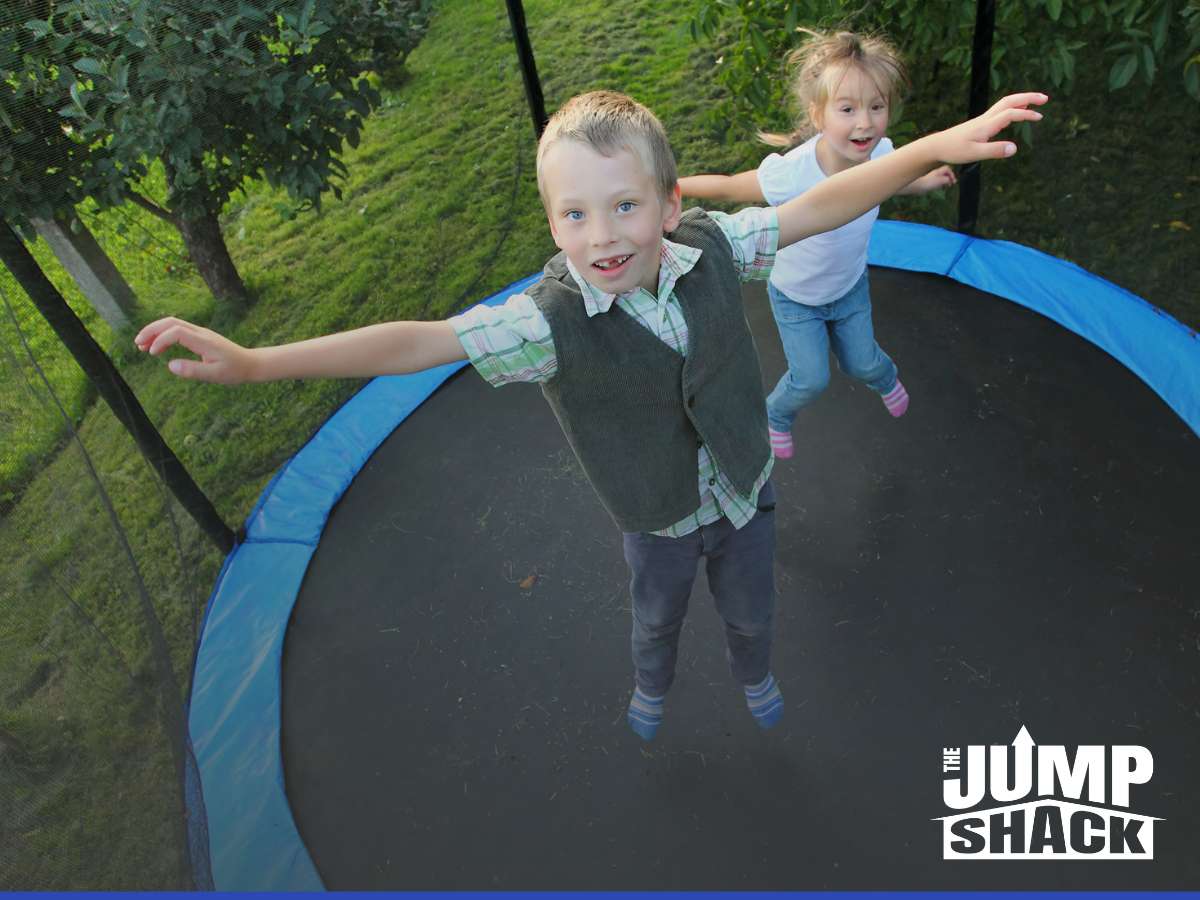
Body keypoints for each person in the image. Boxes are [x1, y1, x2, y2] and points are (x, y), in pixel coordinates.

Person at [136, 89, 1045, 741]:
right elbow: (418, 342)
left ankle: (755, 671)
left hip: (745, 489)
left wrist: (930, 147)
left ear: (670, 204)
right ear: (552, 222)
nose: (602, 235)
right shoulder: (545, 324)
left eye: (623, 207)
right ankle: (652, 684)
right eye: (574, 214)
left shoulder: (716, 248)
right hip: (654, 517)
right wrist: (259, 363)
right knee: (655, 616)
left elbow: (820, 205)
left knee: (751, 607)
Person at [680, 30, 957, 459]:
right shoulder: (794, 172)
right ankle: (776, 414)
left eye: (876, 107)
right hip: (796, 299)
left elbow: (897, 177)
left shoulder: (882, 152)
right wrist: (673, 188)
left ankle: (885, 379)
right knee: (811, 379)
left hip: (849, 289)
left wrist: (925, 181)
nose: (864, 122)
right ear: (818, 115)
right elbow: (733, 187)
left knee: (864, 363)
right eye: (847, 109)